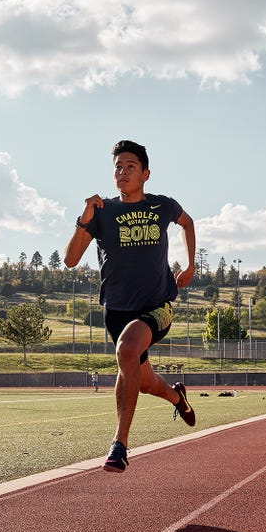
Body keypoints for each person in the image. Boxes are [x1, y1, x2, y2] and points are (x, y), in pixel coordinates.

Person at [64, 139, 196, 473]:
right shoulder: (102, 212)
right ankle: (176, 397)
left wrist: (191, 265)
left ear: (145, 174)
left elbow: (187, 222)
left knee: (126, 350)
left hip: (156, 304)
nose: (122, 172)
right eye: (118, 167)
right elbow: (70, 259)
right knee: (144, 380)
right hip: (117, 309)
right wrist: (85, 217)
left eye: (130, 166)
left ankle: (119, 445)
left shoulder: (162, 206)